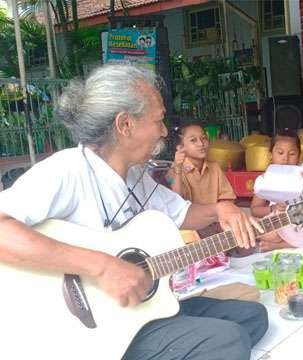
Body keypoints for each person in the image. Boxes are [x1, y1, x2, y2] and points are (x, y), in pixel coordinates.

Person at [0, 64, 268, 360]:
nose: (164, 131)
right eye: (159, 120)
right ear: (125, 124)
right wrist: (102, 266)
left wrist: (223, 208)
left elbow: (184, 214)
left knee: (251, 317)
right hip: (91, 331)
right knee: (227, 341)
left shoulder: (136, 176)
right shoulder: (68, 169)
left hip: (135, 313)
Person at [167, 121, 236, 205]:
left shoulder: (214, 167)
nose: (201, 144)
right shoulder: (174, 170)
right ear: (180, 147)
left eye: (203, 138)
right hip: (190, 217)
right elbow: (175, 203)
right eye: (193, 140)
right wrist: (178, 170)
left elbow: (227, 198)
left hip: (214, 216)